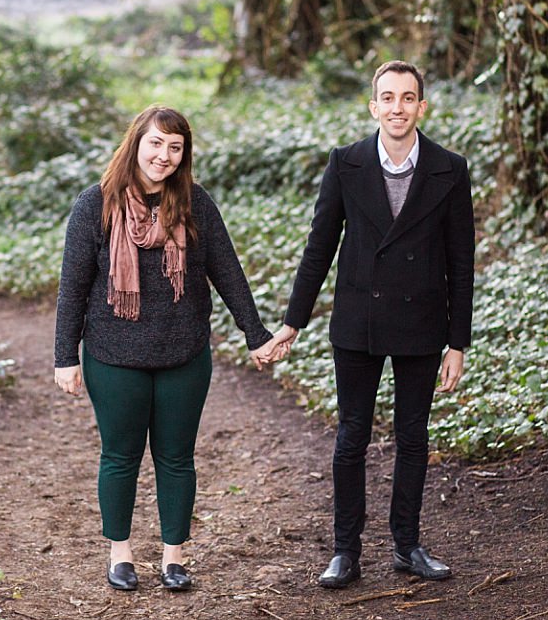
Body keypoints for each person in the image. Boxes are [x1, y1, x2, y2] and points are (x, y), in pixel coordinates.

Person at [54, 105, 284, 592]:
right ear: (136, 143)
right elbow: (72, 287)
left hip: (184, 353)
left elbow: (227, 272)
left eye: (175, 147)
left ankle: (173, 558)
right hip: (114, 357)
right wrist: (64, 356)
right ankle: (121, 555)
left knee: (177, 457)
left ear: (184, 154)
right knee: (120, 455)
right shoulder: (94, 205)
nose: (164, 156)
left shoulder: (195, 204)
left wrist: (255, 334)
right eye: (156, 144)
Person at [271, 60, 474, 589]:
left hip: (423, 322)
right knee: (351, 438)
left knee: (412, 437)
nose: (397, 108)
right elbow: (319, 247)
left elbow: (462, 259)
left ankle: (407, 545)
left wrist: (459, 341)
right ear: (373, 106)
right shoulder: (346, 164)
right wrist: (294, 321)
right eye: (388, 98)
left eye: (408, 98)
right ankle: (345, 551)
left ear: (421, 107)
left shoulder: (450, 168)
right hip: (357, 321)